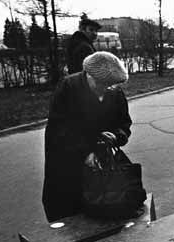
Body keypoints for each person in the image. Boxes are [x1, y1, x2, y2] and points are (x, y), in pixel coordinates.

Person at [42, 51, 132, 222]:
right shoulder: (69, 87)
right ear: (88, 75)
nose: (106, 89)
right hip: (68, 161)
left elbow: (124, 123)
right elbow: (59, 130)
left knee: (106, 205)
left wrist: (116, 136)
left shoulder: (114, 92)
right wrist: (86, 152)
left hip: (102, 162)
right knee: (68, 210)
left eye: (111, 86)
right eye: (102, 84)